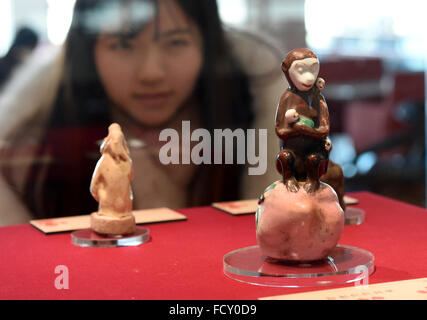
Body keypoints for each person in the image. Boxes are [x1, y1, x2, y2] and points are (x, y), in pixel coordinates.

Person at [0, 0, 286, 224]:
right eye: (123, 44)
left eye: (176, 42)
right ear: (88, 53)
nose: (151, 73)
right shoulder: (29, 156)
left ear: (208, 46)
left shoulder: (248, 132)